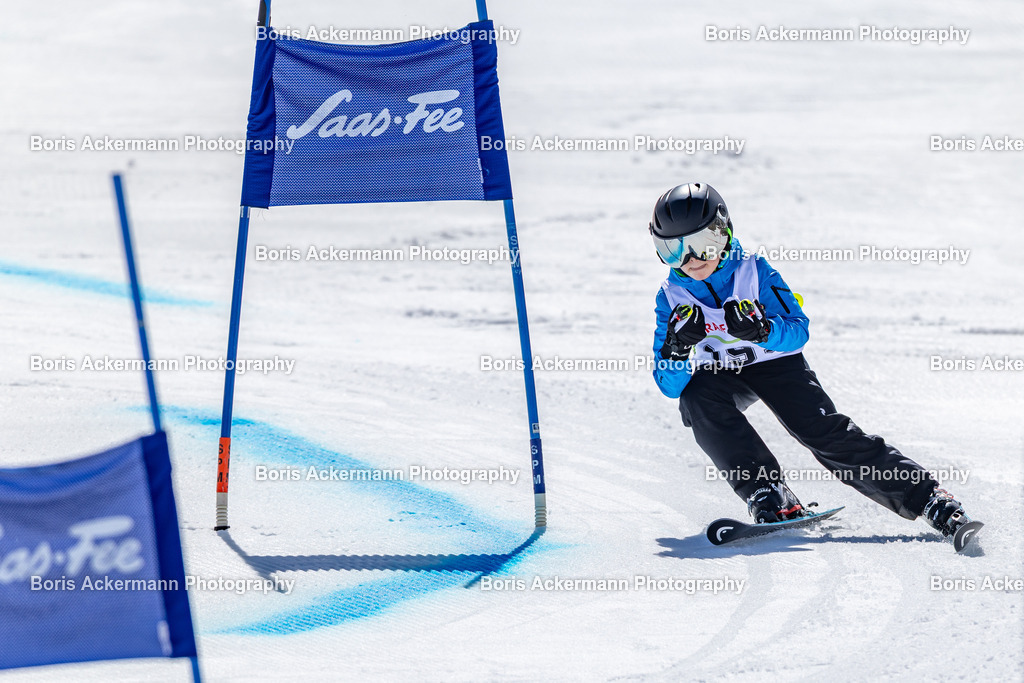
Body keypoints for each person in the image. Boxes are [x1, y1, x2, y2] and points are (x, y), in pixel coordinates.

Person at [648, 182, 974, 538]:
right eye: (673, 250)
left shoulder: (754, 272)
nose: (692, 261)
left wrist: (763, 331)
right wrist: (676, 350)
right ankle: (768, 493)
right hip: (721, 373)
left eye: (701, 244)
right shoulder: (671, 296)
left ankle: (928, 499)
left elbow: (798, 329)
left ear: (724, 232)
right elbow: (668, 385)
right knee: (695, 400)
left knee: (822, 433)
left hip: (777, 365)